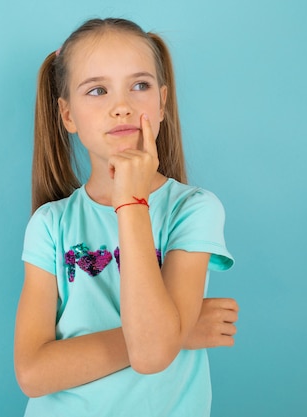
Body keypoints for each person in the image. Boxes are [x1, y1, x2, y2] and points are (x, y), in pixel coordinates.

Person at [14, 17, 238, 416]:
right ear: (67, 115)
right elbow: (32, 373)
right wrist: (180, 332)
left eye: (140, 85)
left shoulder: (193, 209)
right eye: (98, 90)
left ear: (162, 103)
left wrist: (132, 201)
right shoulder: (50, 224)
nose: (122, 106)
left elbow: (152, 354)